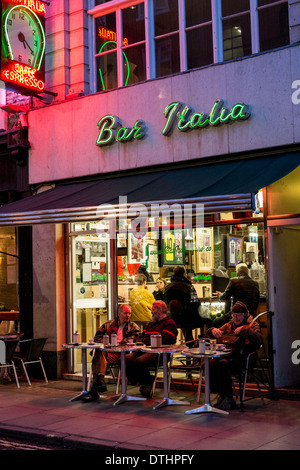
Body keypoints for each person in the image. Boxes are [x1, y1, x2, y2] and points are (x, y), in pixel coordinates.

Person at [207, 301, 263, 411]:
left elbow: (259, 340)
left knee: (222, 364)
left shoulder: (252, 325)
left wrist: (245, 329)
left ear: (245, 315)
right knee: (210, 363)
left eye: (239, 315)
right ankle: (221, 394)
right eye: (234, 315)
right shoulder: (228, 325)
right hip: (228, 358)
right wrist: (212, 330)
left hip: (244, 360)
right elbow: (210, 333)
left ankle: (227, 398)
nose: (236, 318)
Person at [83, 304, 140, 402]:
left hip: (122, 353)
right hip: (108, 352)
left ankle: (96, 385)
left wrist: (120, 343)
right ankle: (100, 381)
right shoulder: (108, 325)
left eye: (129, 313)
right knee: (98, 352)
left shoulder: (133, 327)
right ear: (119, 313)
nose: (128, 315)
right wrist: (106, 342)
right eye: (126, 313)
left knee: (97, 355)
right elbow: (97, 337)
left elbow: (136, 338)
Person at [125, 300, 178, 398]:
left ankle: (147, 382)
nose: (151, 312)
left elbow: (165, 340)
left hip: (160, 354)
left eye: (153, 309)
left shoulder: (169, 323)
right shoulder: (151, 324)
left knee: (139, 361)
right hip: (144, 351)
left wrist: (145, 342)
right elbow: (141, 336)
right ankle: (144, 381)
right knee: (124, 359)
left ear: (160, 310)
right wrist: (141, 341)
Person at [164, 266, 201, 344]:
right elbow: (195, 303)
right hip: (187, 318)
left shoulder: (168, 287)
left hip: (172, 317)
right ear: (184, 274)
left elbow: (166, 303)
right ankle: (193, 344)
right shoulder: (188, 286)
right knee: (205, 321)